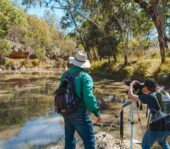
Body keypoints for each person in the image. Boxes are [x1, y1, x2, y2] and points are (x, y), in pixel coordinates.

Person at [60, 51, 102, 149]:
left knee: (69, 139)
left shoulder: (65, 74)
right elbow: (89, 97)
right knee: (89, 141)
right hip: (79, 113)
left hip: (66, 111)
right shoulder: (85, 77)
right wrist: (97, 113)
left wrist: (61, 107)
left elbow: (61, 92)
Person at [128, 78, 170, 149]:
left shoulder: (149, 97)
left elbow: (130, 95)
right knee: (163, 142)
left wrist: (131, 85)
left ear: (147, 87)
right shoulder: (164, 93)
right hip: (168, 125)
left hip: (157, 127)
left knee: (145, 145)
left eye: (145, 86)